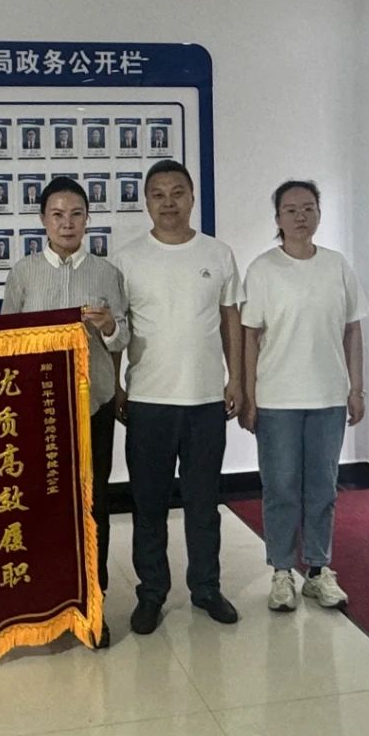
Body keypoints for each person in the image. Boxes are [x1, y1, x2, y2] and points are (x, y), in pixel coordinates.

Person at [111, 160, 243, 634]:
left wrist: (236, 379)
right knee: (148, 505)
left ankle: (206, 588)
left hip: (205, 399)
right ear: (146, 202)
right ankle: (152, 593)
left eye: (177, 192)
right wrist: (117, 384)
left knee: (204, 503)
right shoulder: (127, 259)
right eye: (158, 194)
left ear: (192, 197)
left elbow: (230, 319)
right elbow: (118, 327)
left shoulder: (218, 253)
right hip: (148, 400)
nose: (168, 202)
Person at [2, 177, 128, 648]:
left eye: (76, 214)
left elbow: (122, 338)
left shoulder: (106, 273)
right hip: (37, 412)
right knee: (40, 505)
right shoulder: (23, 273)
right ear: (43, 220)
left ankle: (93, 601)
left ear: (87, 219)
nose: (67, 223)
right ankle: (45, 602)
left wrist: (109, 324)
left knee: (94, 506)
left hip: (93, 405)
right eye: (57, 215)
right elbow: (8, 342)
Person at [239, 180, 367, 613]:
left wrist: (356, 388)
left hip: (328, 396)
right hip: (277, 398)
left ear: (319, 214)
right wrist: (249, 396)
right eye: (290, 209)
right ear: (277, 218)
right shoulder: (263, 269)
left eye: (308, 208)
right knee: (281, 487)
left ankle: (318, 569)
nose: (300, 216)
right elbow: (250, 336)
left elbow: (352, 330)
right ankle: (281, 571)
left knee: (322, 487)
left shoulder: (336, 265)